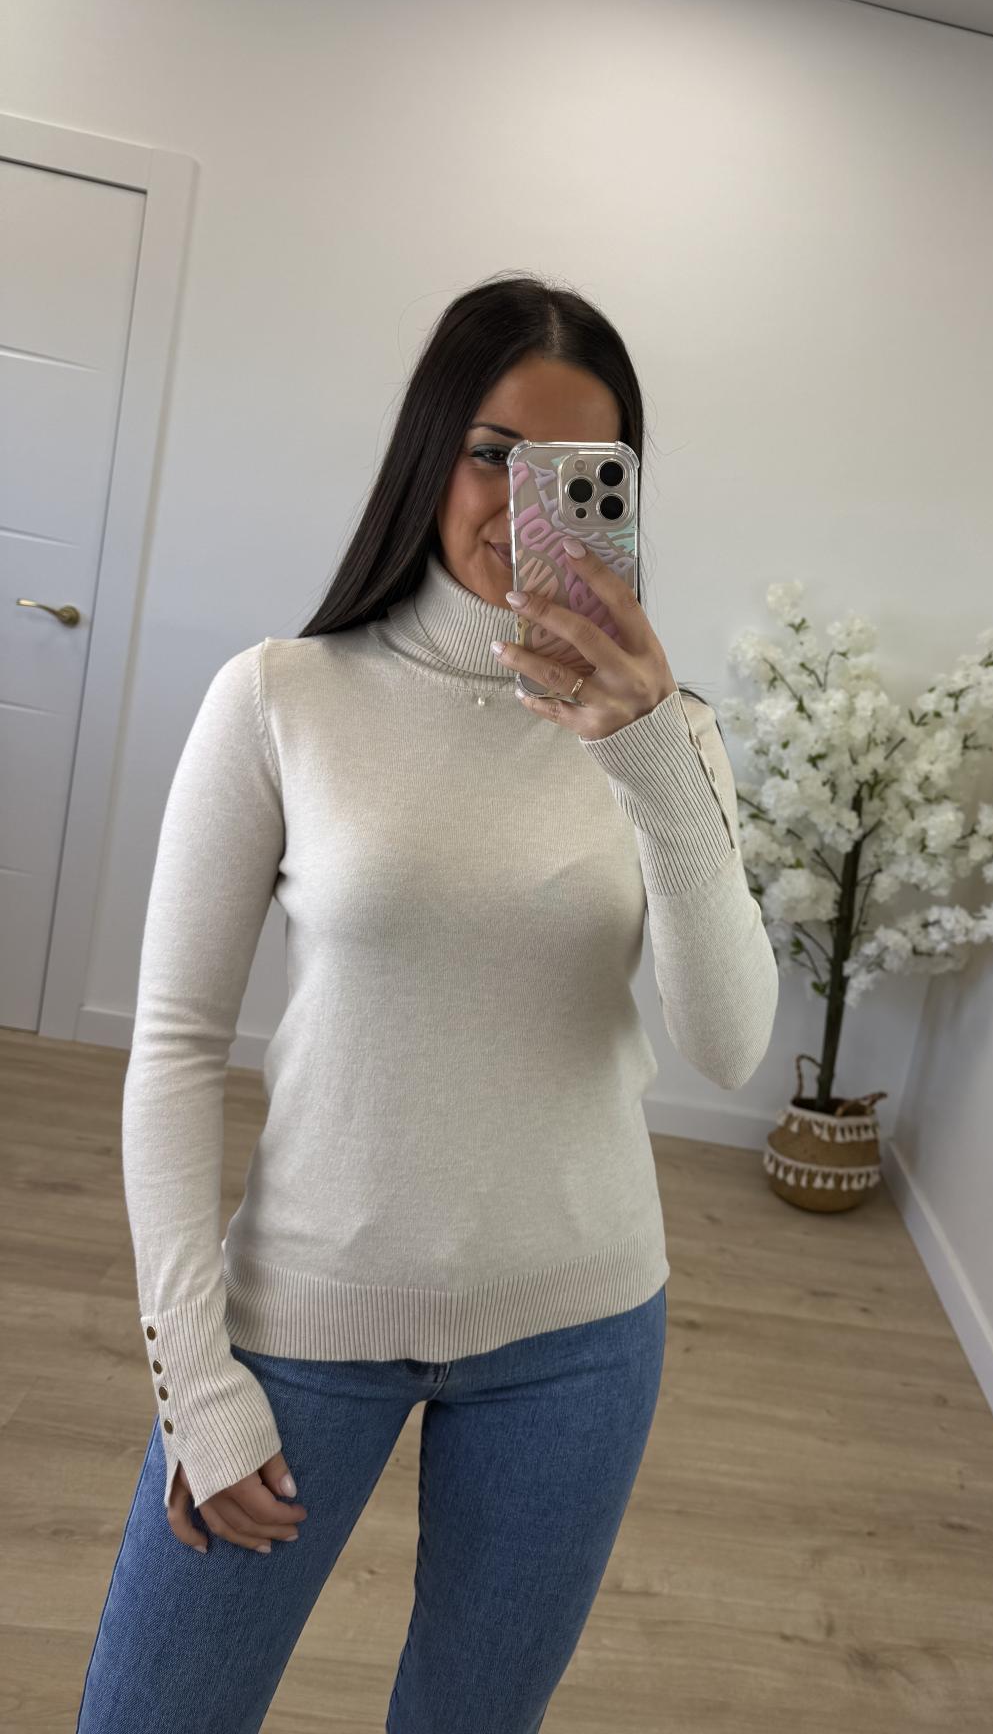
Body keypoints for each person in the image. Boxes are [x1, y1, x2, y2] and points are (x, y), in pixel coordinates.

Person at [75, 273, 780, 1732]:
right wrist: (192, 1376)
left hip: (583, 1335)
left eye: (575, 469)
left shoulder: (674, 737)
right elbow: (176, 1050)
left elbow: (728, 1047)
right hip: (303, 1317)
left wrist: (650, 753)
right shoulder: (283, 696)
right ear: (428, 451)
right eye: (492, 455)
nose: (524, 504)